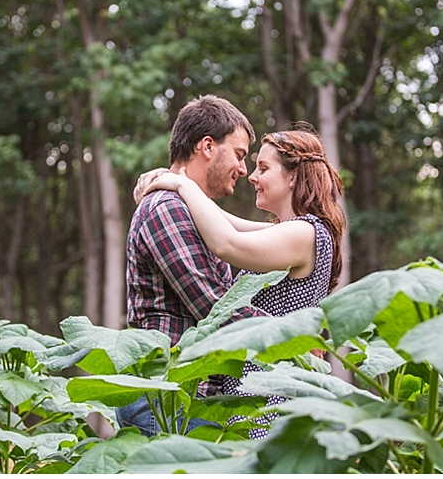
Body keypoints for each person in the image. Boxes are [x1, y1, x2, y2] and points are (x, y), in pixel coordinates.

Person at [140, 124, 346, 437]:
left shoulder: (305, 232)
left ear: (293, 176)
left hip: (273, 395)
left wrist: (181, 186)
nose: (251, 175)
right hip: (258, 390)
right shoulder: (292, 232)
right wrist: (172, 179)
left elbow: (227, 244)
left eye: (263, 167)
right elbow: (228, 223)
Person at [117, 95, 270, 437]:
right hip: (166, 397)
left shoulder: (193, 210)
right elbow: (214, 308)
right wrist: (296, 335)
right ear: (207, 146)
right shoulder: (165, 208)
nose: (244, 170)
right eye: (240, 155)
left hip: (189, 395)